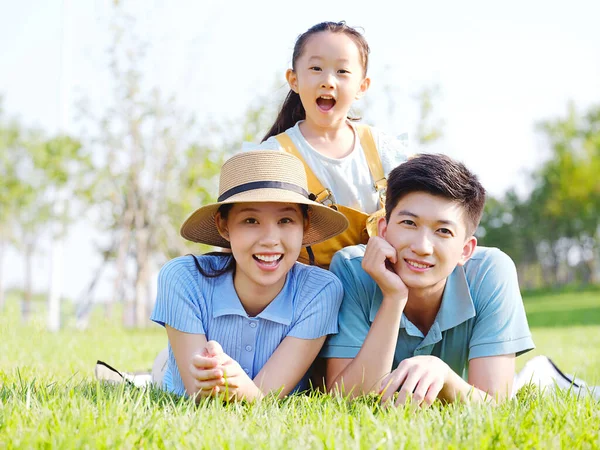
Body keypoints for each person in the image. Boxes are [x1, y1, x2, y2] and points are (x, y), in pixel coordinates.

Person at [321, 153, 536, 407]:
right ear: (383, 230)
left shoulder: (491, 272)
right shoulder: (353, 269)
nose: (422, 247)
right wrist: (393, 298)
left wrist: (444, 376)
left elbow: (497, 405)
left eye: (443, 231)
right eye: (409, 223)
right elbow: (344, 400)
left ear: (466, 250)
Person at [149, 150, 349, 401]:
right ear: (224, 226)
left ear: (305, 225)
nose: (270, 240)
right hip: (172, 377)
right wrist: (212, 374)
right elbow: (200, 396)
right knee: (162, 368)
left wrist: (233, 382)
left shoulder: (321, 290)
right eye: (251, 220)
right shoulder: (182, 278)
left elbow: (264, 397)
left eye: (286, 220)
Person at [246, 21, 411, 268]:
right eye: (316, 68)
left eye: (342, 71)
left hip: (383, 288)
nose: (328, 81)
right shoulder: (274, 156)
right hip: (310, 293)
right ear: (294, 80)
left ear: (362, 86)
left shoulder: (385, 150)